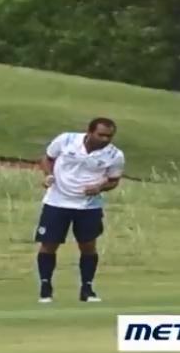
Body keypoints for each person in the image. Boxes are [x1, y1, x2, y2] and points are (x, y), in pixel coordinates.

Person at [34, 118, 125, 303]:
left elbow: (114, 180)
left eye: (109, 136)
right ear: (90, 132)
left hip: (88, 205)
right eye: (101, 135)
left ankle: (87, 288)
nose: (105, 139)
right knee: (49, 243)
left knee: (88, 245)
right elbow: (47, 159)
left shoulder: (115, 155)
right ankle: (45, 287)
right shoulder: (66, 140)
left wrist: (99, 188)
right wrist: (49, 175)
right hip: (57, 201)